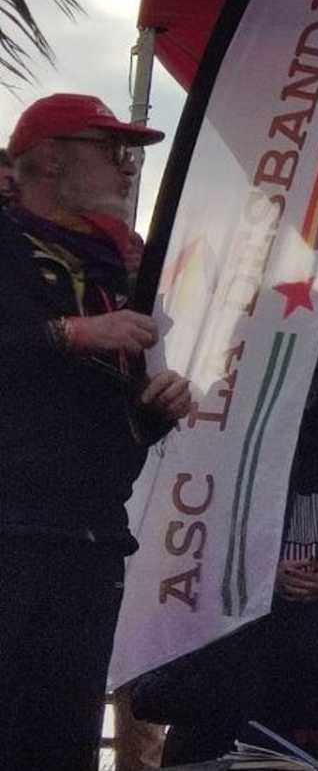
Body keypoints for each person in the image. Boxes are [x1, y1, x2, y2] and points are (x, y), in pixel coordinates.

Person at [0, 93, 194, 771]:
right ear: (49, 156)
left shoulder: (116, 272)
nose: (126, 167)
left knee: (64, 740)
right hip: (12, 532)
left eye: (131, 153)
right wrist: (72, 331)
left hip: (90, 539)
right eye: (109, 149)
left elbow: (111, 424)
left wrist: (150, 410)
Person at [135, 311, 318, 767]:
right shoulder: (220, 410)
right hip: (229, 594)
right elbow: (191, 512)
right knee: (220, 675)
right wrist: (259, 573)